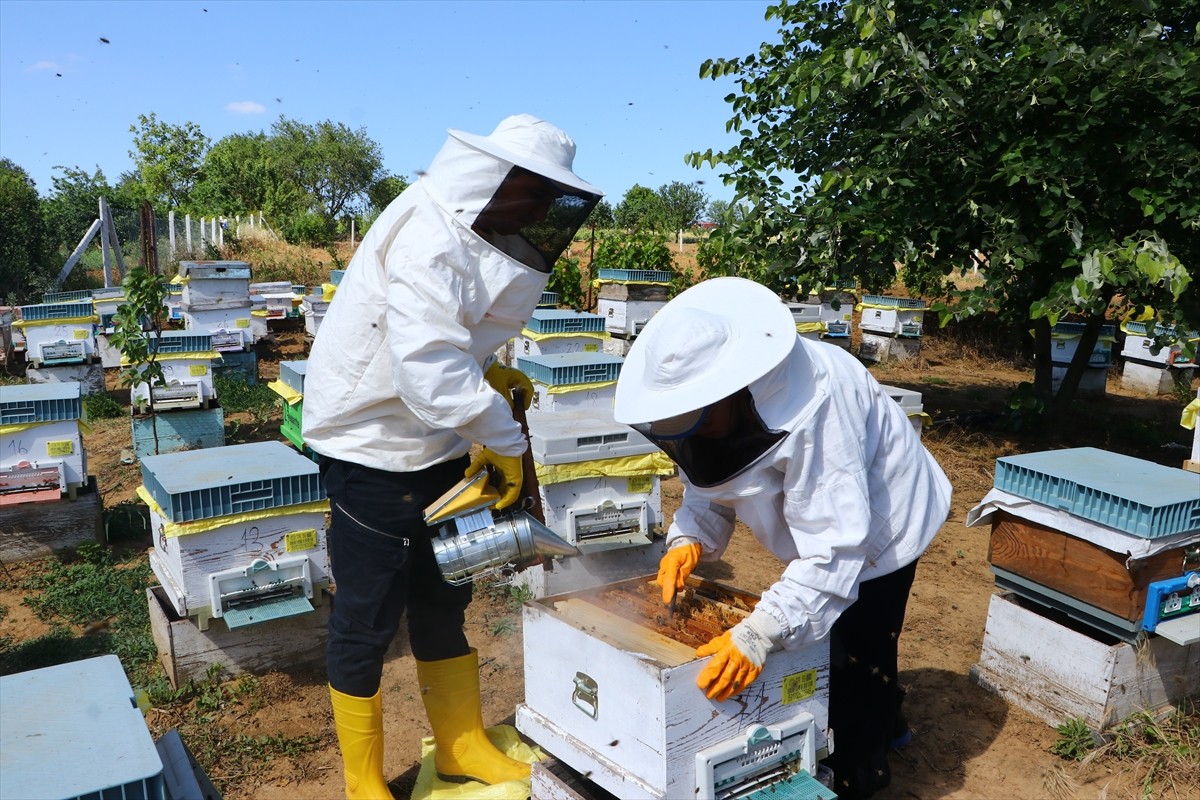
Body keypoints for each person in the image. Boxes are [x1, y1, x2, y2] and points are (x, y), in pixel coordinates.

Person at [302, 114, 601, 799]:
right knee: (367, 619)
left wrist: (488, 377)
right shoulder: (428, 237)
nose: (539, 211)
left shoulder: (473, 232)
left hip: (438, 444)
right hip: (372, 450)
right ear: (496, 178)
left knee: (444, 597)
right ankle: (363, 783)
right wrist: (503, 437)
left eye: (550, 197)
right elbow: (430, 372)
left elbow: (457, 341)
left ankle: (461, 745)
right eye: (533, 192)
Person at [612, 277, 951, 800]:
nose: (689, 427)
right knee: (835, 642)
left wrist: (757, 634)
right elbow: (711, 481)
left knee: (862, 642)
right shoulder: (720, 411)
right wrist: (689, 539)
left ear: (732, 386)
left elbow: (836, 549)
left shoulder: (817, 405)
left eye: (696, 415)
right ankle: (888, 716)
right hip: (834, 521)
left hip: (884, 521)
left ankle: (864, 768)